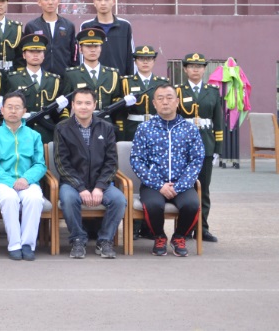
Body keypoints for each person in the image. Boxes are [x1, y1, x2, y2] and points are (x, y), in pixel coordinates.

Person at [131, 83, 204, 257]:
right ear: (154, 103)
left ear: (177, 102)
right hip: (153, 184)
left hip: (181, 184)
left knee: (192, 205)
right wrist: (158, 185)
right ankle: (159, 237)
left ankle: (179, 237)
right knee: (153, 205)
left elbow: (196, 160)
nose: (165, 102)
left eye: (169, 98)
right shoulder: (144, 128)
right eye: (160, 98)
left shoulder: (190, 129)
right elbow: (136, 159)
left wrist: (179, 186)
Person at [54, 88, 126, 259]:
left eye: (88, 103)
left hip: (100, 183)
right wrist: (80, 188)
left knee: (119, 200)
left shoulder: (106, 127)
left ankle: (105, 240)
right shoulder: (62, 128)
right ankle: (78, 239)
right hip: (72, 184)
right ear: (72, 105)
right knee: (68, 199)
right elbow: (61, 163)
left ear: (94, 105)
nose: (83, 107)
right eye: (79, 103)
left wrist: (100, 187)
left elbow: (111, 162)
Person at [0, 91, 46, 261]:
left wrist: (26, 179)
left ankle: (27, 245)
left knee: (34, 199)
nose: (13, 111)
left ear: (24, 111)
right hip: (2, 183)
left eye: (17, 107)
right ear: (2, 110)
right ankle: (14, 245)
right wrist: (11, 182)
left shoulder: (34, 135)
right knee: (10, 198)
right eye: (9, 107)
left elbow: (40, 164)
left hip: (28, 182)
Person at [176, 53, 223, 243]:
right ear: (185, 69)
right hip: (183, 146)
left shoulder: (212, 91)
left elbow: (218, 121)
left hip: (205, 144)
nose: (195, 69)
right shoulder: (178, 91)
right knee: (183, 188)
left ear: (204, 69)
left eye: (199, 66)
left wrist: (217, 148)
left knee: (203, 188)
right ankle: (184, 229)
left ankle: (202, 228)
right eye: (191, 66)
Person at [6, 34, 66, 144]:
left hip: (47, 131)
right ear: (24, 55)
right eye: (31, 51)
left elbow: (60, 112)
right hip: (22, 129)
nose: (35, 55)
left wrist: (59, 109)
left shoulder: (54, 80)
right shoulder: (13, 79)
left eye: (39, 51)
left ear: (44, 55)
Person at [60, 28, 127, 117]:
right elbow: (65, 104)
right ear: (80, 49)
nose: (92, 50)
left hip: (105, 121)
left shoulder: (112, 74)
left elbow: (117, 101)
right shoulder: (72, 74)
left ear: (100, 48)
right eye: (88, 46)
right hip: (81, 120)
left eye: (96, 46)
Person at [80, 0, 135, 76]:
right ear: (94, 2)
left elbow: (131, 56)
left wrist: (130, 79)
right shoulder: (86, 26)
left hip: (119, 79)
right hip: (94, 79)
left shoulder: (125, 26)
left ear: (113, 2)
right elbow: (81, 56)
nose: (103, 3)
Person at [23, 0, 77, 76]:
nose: (50, 2)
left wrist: (73, 73)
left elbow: (74, 54)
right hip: (40, 77)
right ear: (39, 2)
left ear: (58, 1)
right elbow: (25, 52)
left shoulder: (68, 26)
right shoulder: (32, 26)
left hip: (64, 77)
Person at [120, 45, 170, 142]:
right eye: (141, 59)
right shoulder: (126, 82)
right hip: (134, 127)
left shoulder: (162, 83)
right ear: (135, 61)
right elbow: (120, 108)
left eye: (149, 59)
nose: (145, 62)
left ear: (154, 61)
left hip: (157, 126)